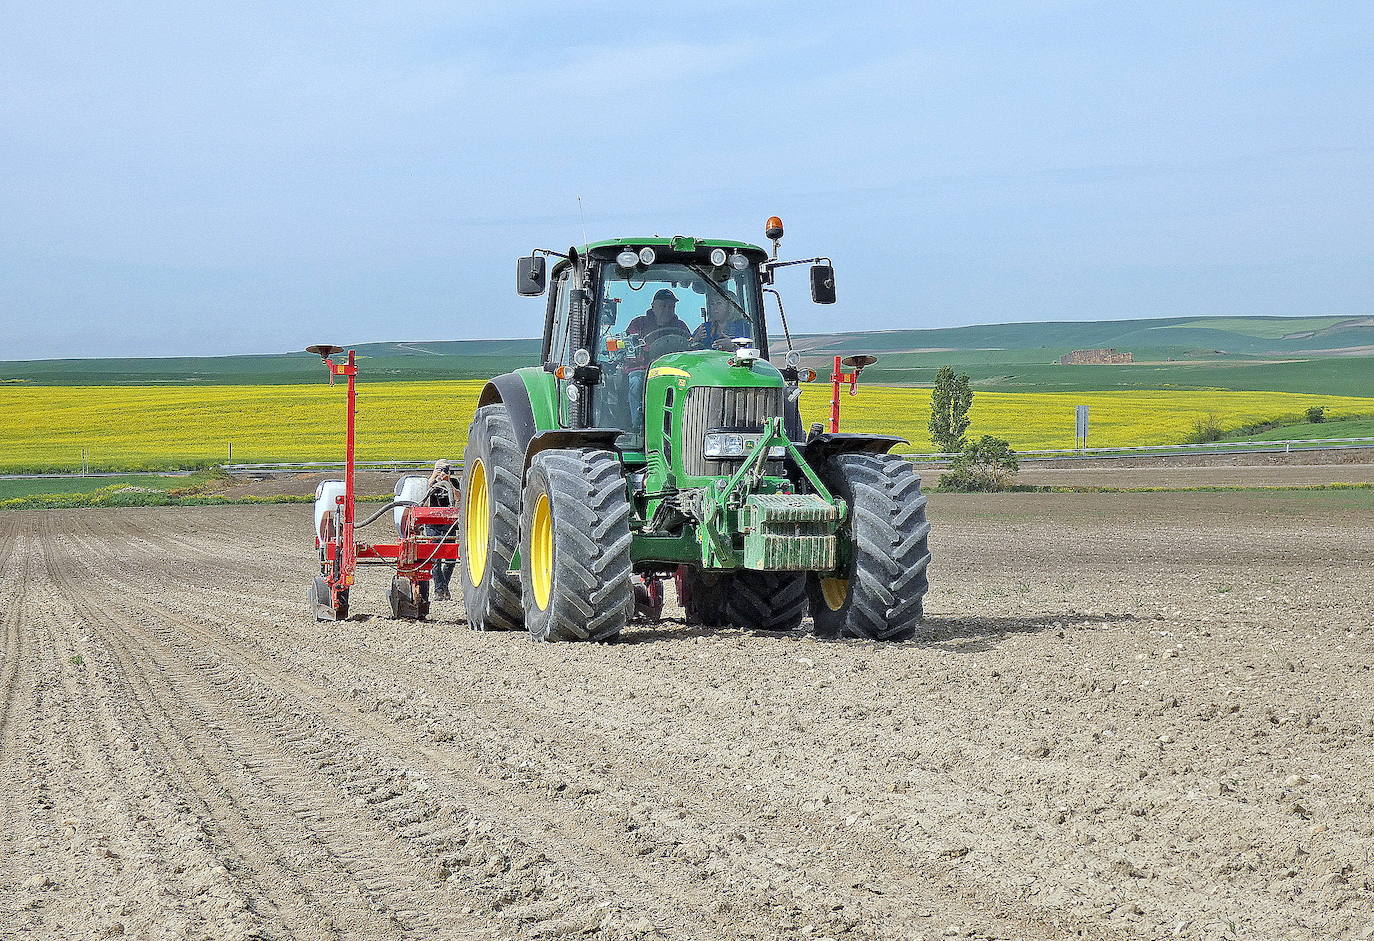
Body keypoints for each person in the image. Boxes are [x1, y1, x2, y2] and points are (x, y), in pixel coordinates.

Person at [624, 289, 691, 428]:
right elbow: (630, 344)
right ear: (653, 306)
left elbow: (689, 347)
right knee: (636, 382)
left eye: (671, 306)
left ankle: (683, 425)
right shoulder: (638, 324)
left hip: (674, 371)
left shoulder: (681, 326)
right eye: (663, 306)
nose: (667, 310)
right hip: (644, 370)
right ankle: (638, 426)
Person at [424, 459, 457, 601]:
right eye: (440, 469)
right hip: (432, 524)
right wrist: (433, 479)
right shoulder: (429, 483)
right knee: (435, 558)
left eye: (445, 470)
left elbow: (458, 497)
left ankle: (444, 586)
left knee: (451, 559)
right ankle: (440, 589)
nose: (443, 473)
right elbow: (423, 500)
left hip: (449, 523)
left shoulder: (454, 482)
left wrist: (448, 483)